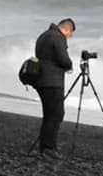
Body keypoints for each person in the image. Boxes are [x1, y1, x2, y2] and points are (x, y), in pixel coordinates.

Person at [34, 18, 75, 159]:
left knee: (49, 114)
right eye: (71, 34)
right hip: (52, 81)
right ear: (67, 29)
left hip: (40, 79)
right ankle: (49, 147)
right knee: (57, 114)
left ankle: (45, 146)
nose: (70, 37)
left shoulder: (43, 35)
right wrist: (70, 64)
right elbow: (63, 59)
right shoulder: (58, 37)